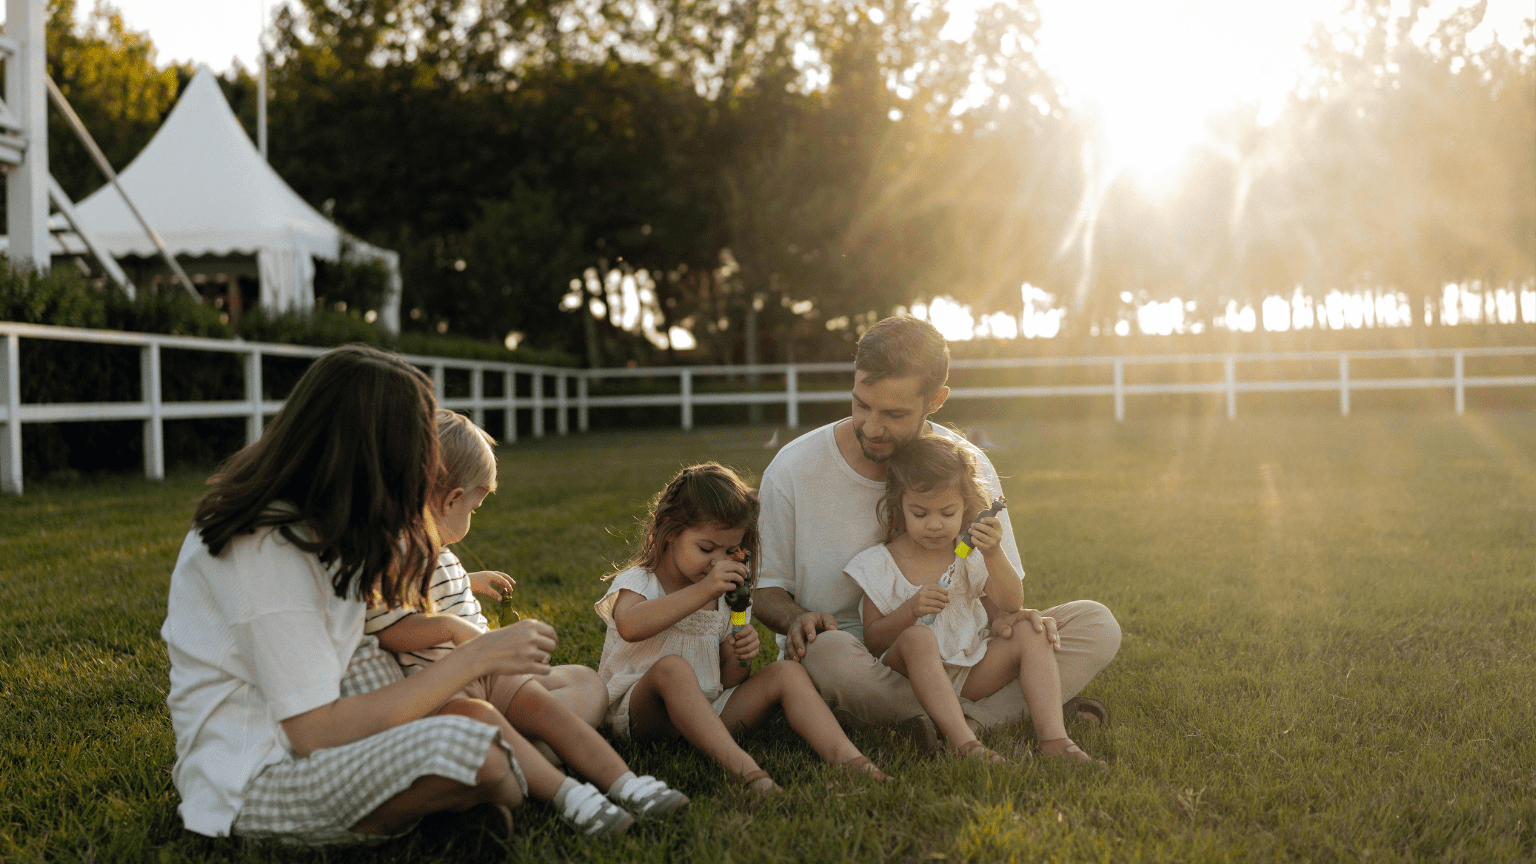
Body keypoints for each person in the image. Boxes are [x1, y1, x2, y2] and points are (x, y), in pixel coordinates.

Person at [163, 345, 559, 845]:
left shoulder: (325, 519)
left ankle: (433, 807)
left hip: (331, 720)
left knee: (496, 732)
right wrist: (474, 656)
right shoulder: (264, 548)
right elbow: (313, 731)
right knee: (486, 755)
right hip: (258, 772)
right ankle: (422, 810)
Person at [754, 316, 1120, 748]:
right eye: (861, 404)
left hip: (965, 652)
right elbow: (765, 589)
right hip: (862, 661)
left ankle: (949, 725)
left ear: (936, 400)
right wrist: (798, 620)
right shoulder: (793, 469)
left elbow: (996, 593)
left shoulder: (967, 465)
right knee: (825, 653)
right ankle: (997, 716)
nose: (872, 427)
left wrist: (1017, 624)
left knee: (1096, 624)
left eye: (894, 414)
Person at [365, 410, 689, 830]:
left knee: (546, 707)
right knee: (483, 720)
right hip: (442, 693)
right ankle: (573, 797)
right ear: (450, 499)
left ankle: (628, 783)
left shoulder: (435, 550)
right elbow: (390, 629)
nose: (472, 516)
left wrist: (468, 580)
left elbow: (432, 589)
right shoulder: (392, 552)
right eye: (474, 508)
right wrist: (455, 629)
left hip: (483, 672)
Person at [595, 463, 889, 794]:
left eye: (729, 551)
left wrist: (741, 656)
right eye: (706, 549)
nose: (718, 562)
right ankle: (748, 773)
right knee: (673, 670)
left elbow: (729, 681)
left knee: (785, 674)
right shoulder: (641, 580)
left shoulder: (727, 596)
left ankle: (849, 759)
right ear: (669, 529)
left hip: (708, 711)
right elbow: (630, 625)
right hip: (643, 715)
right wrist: (703, 591)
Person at [847, 435, 1099, 765]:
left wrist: (994, 554)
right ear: (899, 506)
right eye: (920, 514)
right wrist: (909, 611)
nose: (935, 524)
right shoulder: (880, 564)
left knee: (1030, 631)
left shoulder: (966, 555)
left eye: (948, 512)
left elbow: (1007, 608)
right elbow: (874, 640)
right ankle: (966, 744)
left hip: (970, 671)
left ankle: (1053, 738)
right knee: (919, 638)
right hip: (908, 680)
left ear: (966, 507)